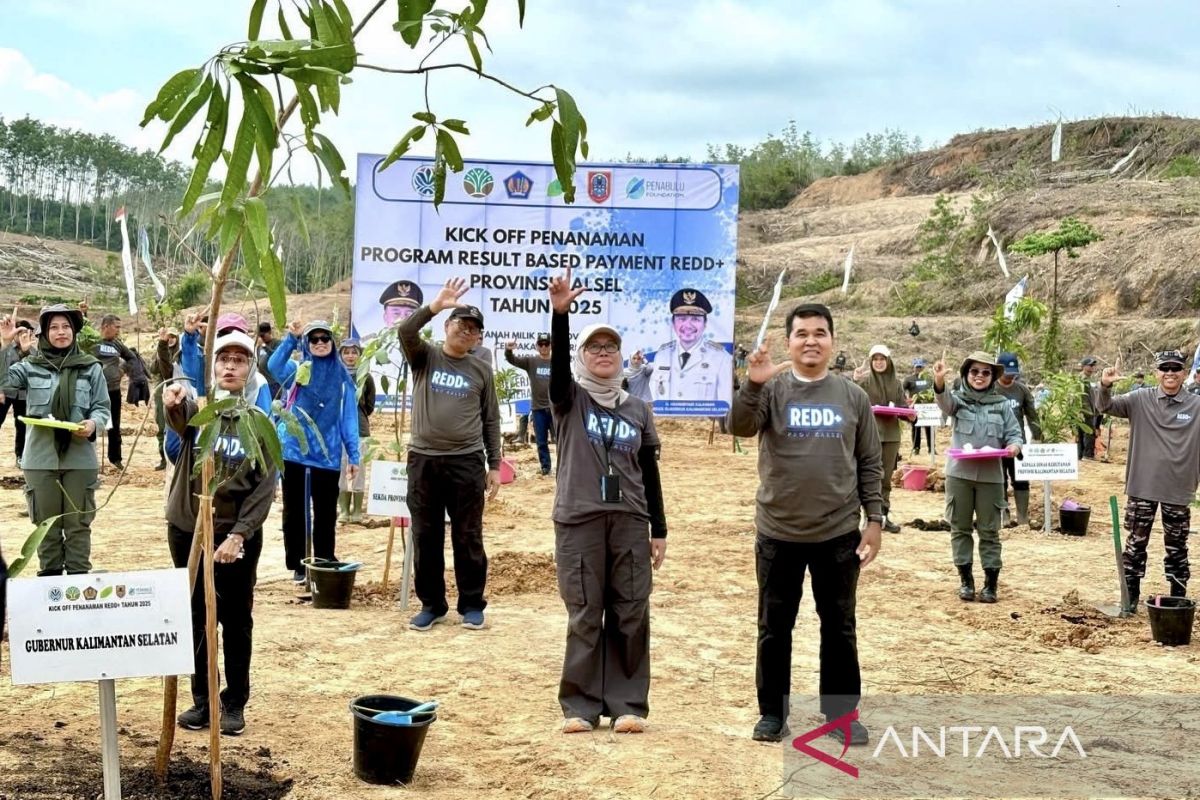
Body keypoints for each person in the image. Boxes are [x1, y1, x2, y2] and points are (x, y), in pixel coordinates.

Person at [728, 302, 883, 746]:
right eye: (802, 334)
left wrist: (874, 520)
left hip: (838, 535)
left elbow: (870, 462)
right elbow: (738, 427)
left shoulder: (852, 397)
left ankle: (841, 716)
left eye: (819, 333)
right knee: (774, 629)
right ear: (790, 342)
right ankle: (772, 714)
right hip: (778, 533)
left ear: (832, 341)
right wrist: (752, 385)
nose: (811, 340)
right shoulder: (772, 390)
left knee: (839, 628)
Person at [547, 267, 668, 735]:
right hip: (579, 519)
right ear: (582, 357)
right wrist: (561, 316)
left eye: (610, 348)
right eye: (594, 348)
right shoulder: (568, 399)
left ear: (621, 358)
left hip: (632, 521)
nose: (603, 354)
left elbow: (650, 471)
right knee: (584, 612)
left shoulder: (638, 408)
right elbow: (556, 375)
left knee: (631, 609)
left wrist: (659, 528)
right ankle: (580, 706)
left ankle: (627, 704)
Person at [165, 332, 276, 736]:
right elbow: (177, 417)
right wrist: (172, 399)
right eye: (223, 359)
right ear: (213, 367)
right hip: (189, 531)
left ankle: (234, 703)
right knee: (195, 617)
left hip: (235, 537)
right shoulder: (201, 415)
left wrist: (239, 536)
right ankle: (203, 700)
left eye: (240, 360)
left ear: (251, 370)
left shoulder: (261, 424)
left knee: (235, 618)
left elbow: (265, 487)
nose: (230, 366)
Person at [397, 278, 501, 632]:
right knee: (426, 536)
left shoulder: (481, 370)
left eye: (474, 330)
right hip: (423, 461)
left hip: (467, 462)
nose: (467, 332)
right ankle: (432, 605)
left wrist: (495, 465)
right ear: (448, 326)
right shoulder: (425, 357)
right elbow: (405, 333)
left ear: (478, 338)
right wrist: (434, 306)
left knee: (468, 535)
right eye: (461, 324)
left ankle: (471, 603)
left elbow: (491, 419)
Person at [0, 304, 110, 575]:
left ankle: (78, 582)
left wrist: (93, 423)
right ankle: (50, 587)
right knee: (46, 526)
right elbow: (4, 383)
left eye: (66, 327)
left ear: (74, 331)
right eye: (54, 327)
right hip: (40, 458)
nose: (61, 332)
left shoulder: (90, 367)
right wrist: (4, 344)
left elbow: (102, 407)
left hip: (80, 457)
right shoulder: (29, 366)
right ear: (44, 333)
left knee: (78, 525)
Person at [1095, 350, 1200, 609]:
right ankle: (1130, 598)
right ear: (1157, 373)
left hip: (1179, 488)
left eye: (1176, 368)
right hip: (1143, 487)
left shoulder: (1196, 406)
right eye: (1165, 368)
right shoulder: (1140, 399)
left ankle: (1177, 596)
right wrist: (1105, 385)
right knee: (1136, 543)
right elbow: (1104, 406)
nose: (1170, 373)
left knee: (1177, 546)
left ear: (1184, 373)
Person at [268, 320, 361, 583]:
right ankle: (298, 564)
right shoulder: (298, 369)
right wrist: (291, 338)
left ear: (332, 343)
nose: (320, 343)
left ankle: (322, 560)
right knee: (295, 511)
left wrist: (353, 455)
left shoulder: (343, 378)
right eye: (314, 339)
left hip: (328, 456)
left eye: (325, 339)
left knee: (325, 512)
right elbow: (273, 366)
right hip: (294, 451)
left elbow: (349, 418)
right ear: (307, 344)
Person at [933, 352, 1023, 604]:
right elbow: (944, 402)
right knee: (960, 528)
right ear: (966, 374)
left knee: (989, 531)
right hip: (959, 475)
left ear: (992, 376)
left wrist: (1014, 447)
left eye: (985, 372)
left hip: (991, 477)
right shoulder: (958, 401)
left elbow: (1015, 434)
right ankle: (966, 580)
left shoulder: (1002, 404)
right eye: (974, 372)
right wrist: (939, 381)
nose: (979, 376)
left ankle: (990, 584)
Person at [629, 288, 734, 402]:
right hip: (662, 420)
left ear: (705, 324)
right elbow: (653, 397)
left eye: (695, 319)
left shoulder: (722, 359)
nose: (687, 325)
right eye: (682, 318)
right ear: (673, 323)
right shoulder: (662, 354)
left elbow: (726, 406)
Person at [854, 344, 906, 533]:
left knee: (885, 478)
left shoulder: (897, 383)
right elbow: (852, 400)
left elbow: (903, 409)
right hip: (869, 435)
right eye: (875, 359)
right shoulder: (865, 382)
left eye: (882, 359)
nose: (878, 362)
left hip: (891, 436)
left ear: (888, 361)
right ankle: (863, 516)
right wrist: (856, 380)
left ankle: (883, 516)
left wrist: (909, 413)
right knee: (867, 474)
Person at [994, 353, 1041, 528]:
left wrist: (1038, 436)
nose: (1010, 376)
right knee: (999, 480)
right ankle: (1003, 514)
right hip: (996, 444)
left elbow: (1032, 415)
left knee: (1021, 479)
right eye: (1007, 372)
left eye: (1013, 373)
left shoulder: (1022, 390)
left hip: (1018, 443)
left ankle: (1022, 516)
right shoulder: (991, 389)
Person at [337, 338, 375, 524]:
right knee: (341, 468)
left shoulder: (366, 377)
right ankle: (343, 509)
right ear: (340, 355)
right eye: (346, 352)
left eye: (354, 352)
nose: (350, 356)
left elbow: (369, 405)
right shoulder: (334, 374)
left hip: (360, 429)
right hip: (337, 430)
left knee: (359, 468)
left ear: (360, 355)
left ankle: (357, 510)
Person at [505, 333, 553, 475]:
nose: (544, 347)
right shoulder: (531, 361)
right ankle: (545, 467)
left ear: (551, 345)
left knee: (562, 440)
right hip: (538, 408)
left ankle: (564, 466)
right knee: (541, 441)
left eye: (547, 344)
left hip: (555, 409)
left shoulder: (558, 362)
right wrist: (508, 350)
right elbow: (512, 359)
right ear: (537, 346)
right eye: (541, 344)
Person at [92, 313, 136, 469]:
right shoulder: (92, 343)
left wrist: (122, 370)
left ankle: (115, 458)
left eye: (119, 327)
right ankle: (89, 458)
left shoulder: (117, 345)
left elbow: (132, 358)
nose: (119, 330)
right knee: (91, 423)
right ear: (106, 326)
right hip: (94, 392)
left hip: (113, 391)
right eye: (116, 327)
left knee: (114, 425)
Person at [0, 318, 33, 466]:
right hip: (6, 392)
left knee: (22, 426)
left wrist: (26, 353)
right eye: (20, 332)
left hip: (24, 395)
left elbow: (32, 371)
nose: (23, 335)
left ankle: (21, 456)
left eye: (26, 332)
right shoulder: (6, 349)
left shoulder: (33, 352)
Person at [149, 328, 180, 470]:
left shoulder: (181, 353)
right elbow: (153, 369)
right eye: (169, 337)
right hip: (162, 393)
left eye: (173, 336)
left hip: (178, 394)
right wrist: (160, 352)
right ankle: (163, 458)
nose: (171, 339)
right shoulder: (160, 351)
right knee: (162, 426)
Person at [903, 358, 934, 455]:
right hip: (915, 407)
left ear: (923, 368)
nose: (919, 369)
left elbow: (934, 390)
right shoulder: (909, 379)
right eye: (917, 367)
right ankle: (916, 448)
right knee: (916, 428)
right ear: (914, 368)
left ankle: (931, 448)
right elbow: (901, 390)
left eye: (920, 367)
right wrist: (906, 401)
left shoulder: (929, 379)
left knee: (930, 428)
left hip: (928, 407)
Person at [1077, 356, 1101, 459]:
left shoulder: (1089, 380)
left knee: (1084, 434)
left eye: (1093, 365)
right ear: (1083, 366)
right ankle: (1087, 455)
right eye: (1090, 365)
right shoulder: (1081, 380)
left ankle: (1082, 455)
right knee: (1088, 433)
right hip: (1084, 411)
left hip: (1089, 411)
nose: (1092, 368)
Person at [256, 321, 282, 400]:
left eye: (263, 335)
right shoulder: (259, 347)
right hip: (263, 383)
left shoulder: (277, 343)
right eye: (260, 336)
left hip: (274, 383)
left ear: (269, 332)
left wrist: (264, 346)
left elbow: (276, 357)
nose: (262, 338)